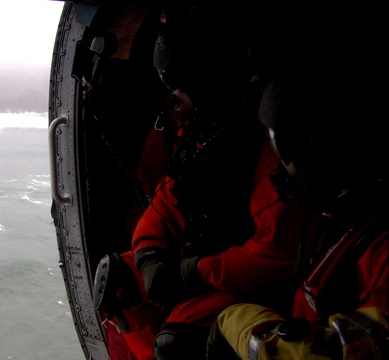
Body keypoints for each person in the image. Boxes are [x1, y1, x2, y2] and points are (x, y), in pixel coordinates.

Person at [94, 4, 306, 359]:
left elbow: (274, 258)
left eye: (181, 87)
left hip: (247, 284)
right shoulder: (203, 132)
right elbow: (171, 197)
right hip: (205, 264)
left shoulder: (266, 149)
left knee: (177, 344)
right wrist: (149, 255)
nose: (174, 97)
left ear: (206, 83)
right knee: (118, 280)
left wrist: (192, 273)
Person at [205, 51, 389, 360]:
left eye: (285, 149)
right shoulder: (342, 219)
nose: (281, 166)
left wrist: (240, 326)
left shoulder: (379, 248)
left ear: (318, 150)